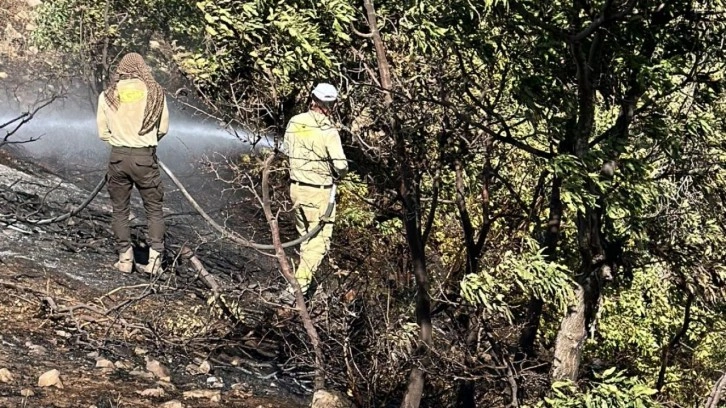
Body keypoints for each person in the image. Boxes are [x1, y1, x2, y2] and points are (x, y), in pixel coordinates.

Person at [96, 52, 169, 275]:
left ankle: (125, 260)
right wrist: (144, 144)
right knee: (154, 210)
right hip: (145, 158)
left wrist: (120, 143)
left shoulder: (108, 94)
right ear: (142, 68)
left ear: (121, 70)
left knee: (120, 210)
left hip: (117, 158)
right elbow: (163, 129)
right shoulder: (155, 92)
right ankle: (155, 262)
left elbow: (103, 133)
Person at [282, 83, 348, 295]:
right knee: (319, 243)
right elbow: (341, 165)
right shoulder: (328, 130)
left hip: (296, 190)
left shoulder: (295, 121)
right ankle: (296, 290)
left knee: (306, 240)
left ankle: (305, 286)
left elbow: (285, 151)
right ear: (332, 104)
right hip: (318, 193)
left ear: (312, 98)